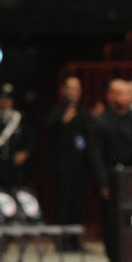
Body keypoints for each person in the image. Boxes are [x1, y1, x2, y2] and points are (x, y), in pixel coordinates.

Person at [89, 78, 132, 262]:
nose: (125, 97)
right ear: (110, 95)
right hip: (113, 178)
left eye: (127, 92)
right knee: (113, 223)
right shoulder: (100, 121)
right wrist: (103, 184)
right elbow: (96, 155)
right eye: (120, 93)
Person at [44, 76, 89, 251]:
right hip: (62, 166)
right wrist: (63, 121)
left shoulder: (84, 111)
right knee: (62, 203)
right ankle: (60, 241)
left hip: (81, 166)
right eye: (70, 88)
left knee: (78, 204)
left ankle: (75, 241)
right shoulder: (57, 110)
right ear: (63, 90)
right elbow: (48, 128)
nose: (74, 92)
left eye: (77, 89)